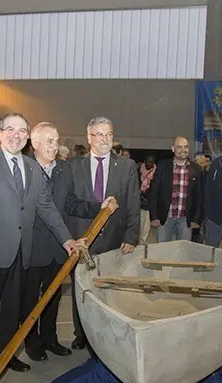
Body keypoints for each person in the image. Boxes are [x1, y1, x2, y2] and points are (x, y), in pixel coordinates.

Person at [0, 113, 79, 378]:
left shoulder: (32, 168)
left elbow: (46, 207)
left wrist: (67, 239)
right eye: (10, 129)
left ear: (27, 136)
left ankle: (6, 354)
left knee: (13, 308)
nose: (15, 135)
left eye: (21, 130)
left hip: (23, 251)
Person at [21, 122, 117, 362]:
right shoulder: (25, 168)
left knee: (53, 295)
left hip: (59, 246)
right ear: (35, 144)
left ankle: (49, 338)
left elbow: (71, 203)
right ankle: (32, 342)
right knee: (31, 297)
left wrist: (98, 207)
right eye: (50, 141)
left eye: (56, 140)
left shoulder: (64, 169)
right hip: (33, 246)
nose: (56, 146)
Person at [65, 116, 140, 350]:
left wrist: (131, 236)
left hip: (114, 241)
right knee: (81, 290)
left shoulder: (127, 166)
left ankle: (107, 335)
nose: (105, 139)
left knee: (108, 290)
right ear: (89, 138)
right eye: (99, 134)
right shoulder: (73, 166)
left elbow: (133, 203)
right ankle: (81, 334)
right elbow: (68, 203)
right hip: (82, 239)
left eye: (108, 134)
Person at [149, 136, 203, 242]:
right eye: (179, 147)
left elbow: (199, 196)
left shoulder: (196, 169)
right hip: (165, 218)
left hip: (186, 220)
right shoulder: (162, 166)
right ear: (173, 149)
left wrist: (196, 219)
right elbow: (154, 193)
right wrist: (154, 217)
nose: (183, 150)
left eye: (186, 147)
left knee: (182, 253)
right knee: (162, 252)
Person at [137, 155, 157, 245]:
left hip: (149, 202)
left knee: (146, 226)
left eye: (152, 161)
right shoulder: (138, 171)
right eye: (148, 161)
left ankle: (142, 244)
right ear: (144, 161)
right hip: (138, 201)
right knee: (138, 224)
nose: (150, 163)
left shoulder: (157, 172)